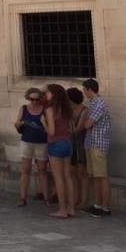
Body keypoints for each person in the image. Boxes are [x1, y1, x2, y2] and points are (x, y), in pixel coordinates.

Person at [42, 84, 75, 218]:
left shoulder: (51, 109)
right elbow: (70, 129)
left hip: (55, 143)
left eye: (48, 92)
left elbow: (51, 131)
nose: (46, 94)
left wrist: (44, 124)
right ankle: (71, 208)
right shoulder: (66, 109)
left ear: (54, 94)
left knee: (58, 178)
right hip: (67, 142)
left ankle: (62, 210)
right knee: (68, 177)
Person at [80, 78, 112, 217]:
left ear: (89, 89)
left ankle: (105, 208)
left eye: (84, 90)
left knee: (102, 176)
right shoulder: (93, 103)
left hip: (98, 144)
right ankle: (97, 204)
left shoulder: (99, 104)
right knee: (95, 176)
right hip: (91, 142)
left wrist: (84, 120)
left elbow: (87, 124)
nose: (84, 93)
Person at [14, 87, 49, 207]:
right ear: (28, 98)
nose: (34, 102)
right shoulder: (23, 108)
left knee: (42, 170)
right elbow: (17, 124)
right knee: (25, 170)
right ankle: (23, 197)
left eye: (37, 99)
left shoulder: (44, 110)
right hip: (27, 141)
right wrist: (18, 125)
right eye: (32, 99)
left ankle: (46, 197)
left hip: (41, 142)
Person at [67, 87, 89, 211]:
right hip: (71, 143)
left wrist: (66, 128)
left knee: (82, 172)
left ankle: (84, 200)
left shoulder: (84, 110)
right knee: (73, 172)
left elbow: (78, 129)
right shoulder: (69, 110)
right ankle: (75, 198)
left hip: (81, 143)